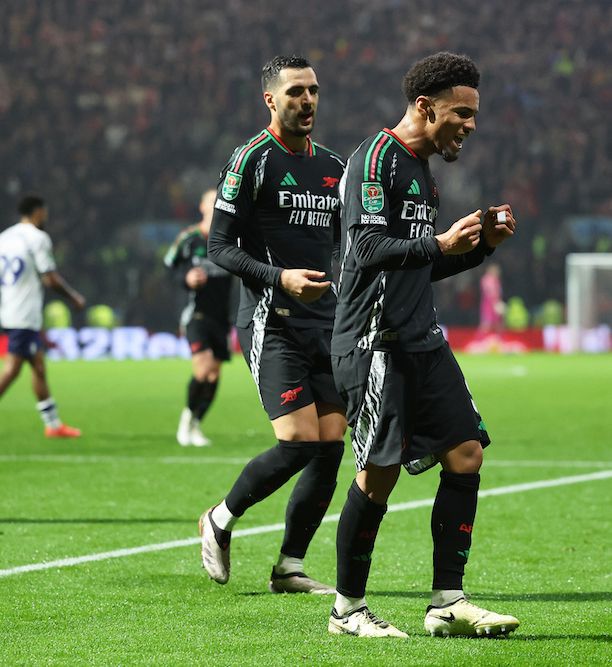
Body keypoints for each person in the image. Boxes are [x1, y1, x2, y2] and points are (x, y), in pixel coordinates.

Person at [328, 52, 520, 638]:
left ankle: (447, 602)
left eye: (474, 114)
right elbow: (366, 252)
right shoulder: (375, 160)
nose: (470, 123)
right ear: (424, 106)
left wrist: (478, 246)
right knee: (378, 476)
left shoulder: (423, 173)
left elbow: (416, 267)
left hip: (421, 338)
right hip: (374, 341)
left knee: (467, 454)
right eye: (461, 112)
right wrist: (440, 242)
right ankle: (347, 610)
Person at [199, 55, 347, 594]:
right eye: (295, 93)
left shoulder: (334, 166)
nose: (307, 101)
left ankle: (289, 566)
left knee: (331, 444)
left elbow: (344, 246)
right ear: (271, 100)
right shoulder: (251, 161)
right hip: (271, 319)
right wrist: (279, 278)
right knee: (299, 440)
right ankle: (219, 518)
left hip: (326, 324)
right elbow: (218, 247)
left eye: (313, 91)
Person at [0, 195, 86, 441]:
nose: (46, 217)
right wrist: (73, 297)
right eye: (45, 213)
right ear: (38, 212)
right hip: (24, 314)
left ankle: (53, 424)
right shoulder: (38, 238)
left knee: (37, 366)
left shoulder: (4, 238)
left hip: (8, 310)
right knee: (13, 369)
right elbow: (50, 278)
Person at [164, 189, 235, 446]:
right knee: (203, 370)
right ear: (203, 207)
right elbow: (169, 268)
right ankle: (186, 422)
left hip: (222, 316)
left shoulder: (230, 238)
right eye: (212, 200)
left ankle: (195, 425)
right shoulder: (189, 239)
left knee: (214, 376)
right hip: (196, 314)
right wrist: (186, 279)